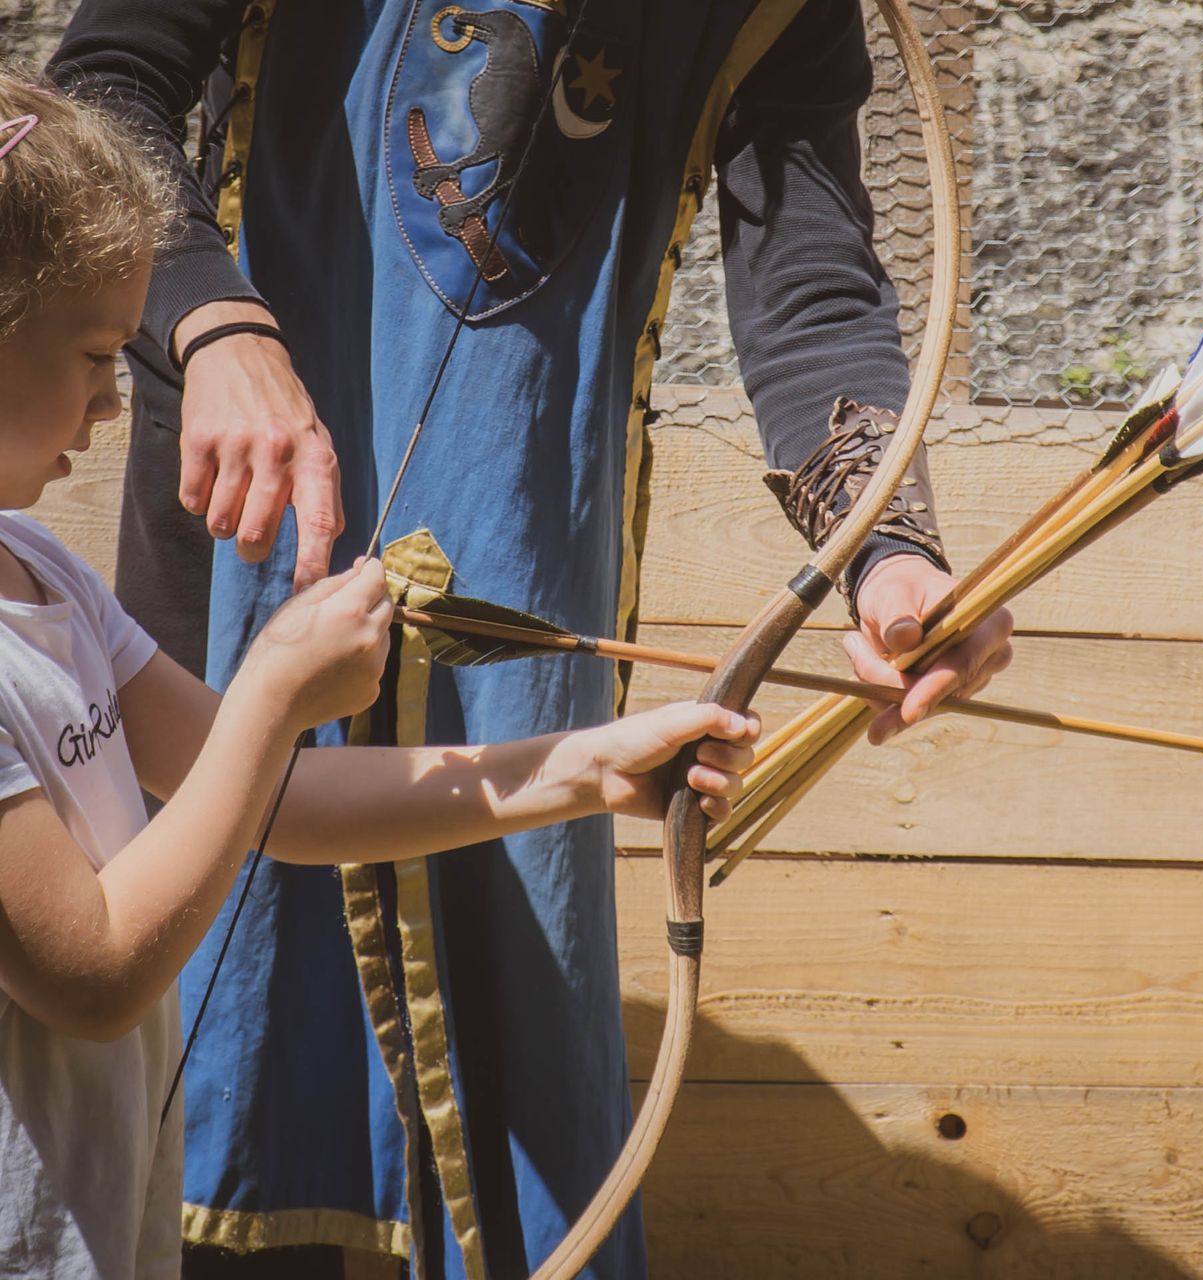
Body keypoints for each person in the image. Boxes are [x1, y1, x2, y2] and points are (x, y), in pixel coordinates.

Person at [49, 0, 1013, 1275]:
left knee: (513, 1047)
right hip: (246, 511)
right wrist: (217, 321)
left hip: (526, 567)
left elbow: (811, 284)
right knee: (223, 1020)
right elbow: (104, 90)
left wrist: (888, 551)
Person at [0, 80, 759, 1280]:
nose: (110, 396)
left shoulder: (39, 570)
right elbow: (94, 971)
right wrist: (271, 693)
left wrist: (584, 767)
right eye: (95, 353)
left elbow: (282, 807)